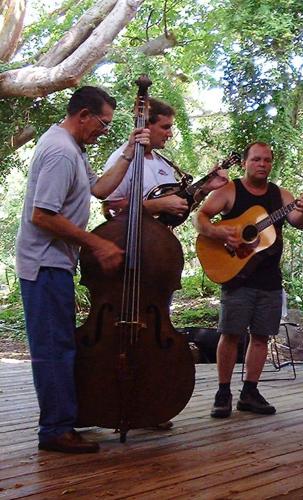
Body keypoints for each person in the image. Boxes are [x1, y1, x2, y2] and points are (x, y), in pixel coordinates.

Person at [16, 86, 150, 453]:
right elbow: (42, 215)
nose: (103, 130)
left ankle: (62, 420)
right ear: (83, 115)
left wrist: (127, 150)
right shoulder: (60, 151)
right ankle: (55, 430)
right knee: (54, 348)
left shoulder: (72, 148)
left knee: (62, 345)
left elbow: (100, 189)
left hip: (56, 263)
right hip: (44, 264)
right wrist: (97, 243)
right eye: (103, 124)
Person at [194, 142, 303, 418]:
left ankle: (250, 391)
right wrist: (221, 234)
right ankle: (223, 392)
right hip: (236, 275)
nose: (262, 164)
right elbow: (200, 218)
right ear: (245, 163)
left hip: (269, 278)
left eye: (267, 160)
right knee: (230, 334)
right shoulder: (229, 191)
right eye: (257, 159)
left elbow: (298, 220)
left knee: (261, 338)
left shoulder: (281, 195)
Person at [102, 98, 228, 221]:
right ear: (145, 126)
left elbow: (177, 210)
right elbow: (111, 208)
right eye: (165, 127)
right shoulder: (122, 160)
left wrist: (205, 189)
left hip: (161, 240)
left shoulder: (164, 163)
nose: (171, 134)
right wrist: (159, 205)